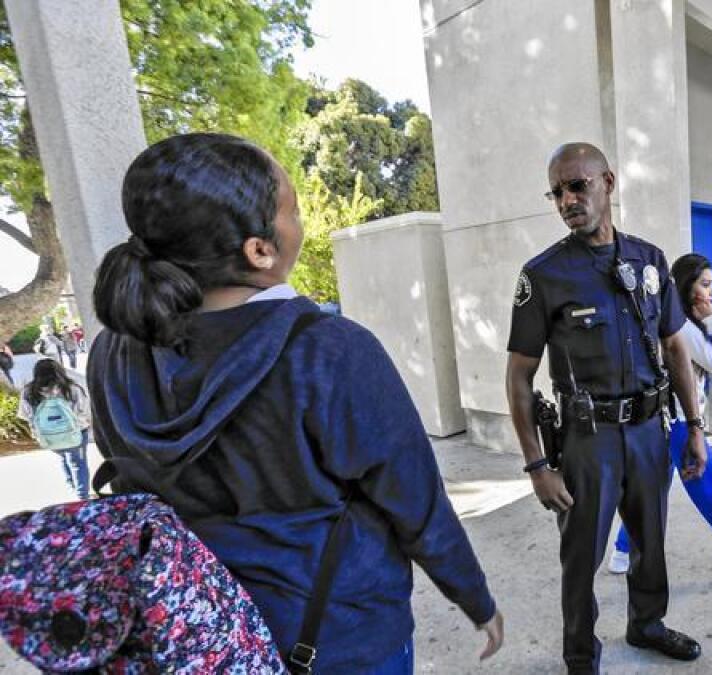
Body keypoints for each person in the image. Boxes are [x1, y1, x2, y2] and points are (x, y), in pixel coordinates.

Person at [87, 133, 502, 673]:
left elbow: (127, 482)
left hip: (196, 636)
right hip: (340, 639)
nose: (300, 220)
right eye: (293, 209)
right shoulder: (329, 352)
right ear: (259, 250)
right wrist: (476, 599)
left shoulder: (112, 351)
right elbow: (416, 501)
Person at [506, 142, 707, 674]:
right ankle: (581, 657)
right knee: (582, 558)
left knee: (651, 541)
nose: (568, 199)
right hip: (586, 440)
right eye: (558, 191)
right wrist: (536, 466)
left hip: (647, 429)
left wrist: (695, 427)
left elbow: (675, 348)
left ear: (608, 183)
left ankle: (647, 624)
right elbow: (520, 377)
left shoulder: (649, 260)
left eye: (578, 185)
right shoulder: (544, 275)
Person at [608, 253, 712, 583]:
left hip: (660, 422)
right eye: (705, 285)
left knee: (650, 492)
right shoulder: (684, 329)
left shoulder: (671, 322)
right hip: (679, 424)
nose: (711, 293)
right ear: (687, 289)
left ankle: (620, 551)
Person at [17, 358, 91, 500]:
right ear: (59, 371)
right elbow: (83, 411)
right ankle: (82, 497)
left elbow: (25, 415)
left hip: (48, 437)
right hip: (76, 434)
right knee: (78, 462)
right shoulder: (71, 388)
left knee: (63, 457)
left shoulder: (29, 391)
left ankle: (71, 486)